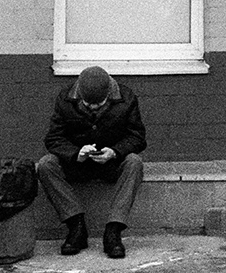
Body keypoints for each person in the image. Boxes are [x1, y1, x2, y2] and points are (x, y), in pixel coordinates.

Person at [37, 65, 146, 258]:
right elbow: (53, 139)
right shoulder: (65, 98)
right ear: (79, 94)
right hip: (77, 163)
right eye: (88, 104)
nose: (94, 107)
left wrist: (114, 152)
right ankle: (76, 227)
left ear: (109, 93)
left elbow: (137, 137)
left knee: (134, 162)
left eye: (99, 103)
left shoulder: (127, 97)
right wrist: (76, 154)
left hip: (111, 163)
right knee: (46, 164)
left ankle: (113, 231)